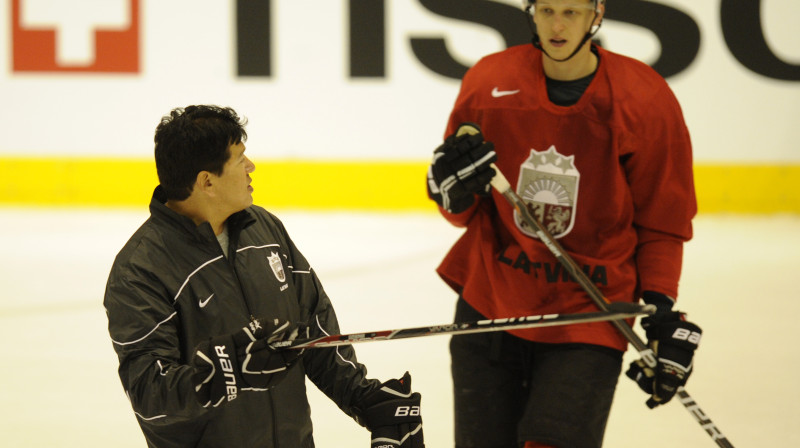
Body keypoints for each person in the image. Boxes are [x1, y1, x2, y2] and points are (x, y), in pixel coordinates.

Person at [425, 1, 702, 447]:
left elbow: (663, 221)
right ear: (530, 12)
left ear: (597, 14)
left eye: (571, 12)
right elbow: (459, 211)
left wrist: (660, 309)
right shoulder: (488, 82)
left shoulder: (644, 98)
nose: (557, 25)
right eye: (547, 9)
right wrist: (449, 190)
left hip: (591, 314)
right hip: (492, 304)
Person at [104, 105, 424, 448]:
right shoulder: (140, 270)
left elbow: (313, 331)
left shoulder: (264, 229)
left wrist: (364, 398)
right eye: (239, 158)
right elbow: (149, 395)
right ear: (207, 181)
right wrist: (220, 372)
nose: (250, 166)